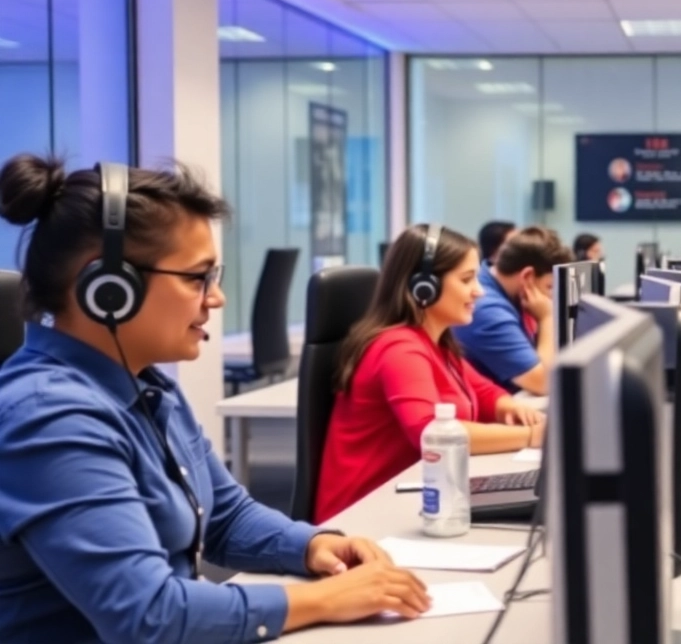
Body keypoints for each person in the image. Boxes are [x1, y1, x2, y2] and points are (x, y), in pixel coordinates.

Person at [0, 155, 430, 643]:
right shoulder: (49, 418)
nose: (216, 297)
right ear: (109, 289)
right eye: (196, 278)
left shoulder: (145, 385)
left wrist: (315, 544)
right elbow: (149, 617)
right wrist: (328, 600)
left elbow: (226, 516)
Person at [315, 224, 547, 524]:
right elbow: (431, 433)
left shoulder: (437, 342)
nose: (479, 290)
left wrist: (510, 407)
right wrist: (530, 436)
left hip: (410, 497)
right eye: (467, 279)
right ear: (424, 286)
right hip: (362, 518)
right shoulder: (400, 349)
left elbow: (482, 391)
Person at [455, 226, 574, 396]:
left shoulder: (493, 279)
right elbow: (545, 382)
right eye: (550, 287)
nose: (552, 297)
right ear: (527, 276)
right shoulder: (488, 311)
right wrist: (547, 318)